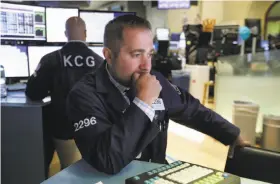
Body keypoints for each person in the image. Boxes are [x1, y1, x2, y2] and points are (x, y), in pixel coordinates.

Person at [66, 15, 249, 175]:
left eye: (149, 54)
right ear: (108, 55)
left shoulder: (155, 81)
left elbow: (191, 110)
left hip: (155, 174)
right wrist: (143, 102)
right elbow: (107, 160)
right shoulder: (84, 95)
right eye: (136, 54)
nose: (146, 66)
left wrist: (230, 133)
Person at [25, 16, 103, 172]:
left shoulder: (51, 59)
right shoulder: (100, 62)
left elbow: (33, 92)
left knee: (68, 171)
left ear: (65, 34)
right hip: (93, 129)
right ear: (85, 34)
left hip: (63, 130)